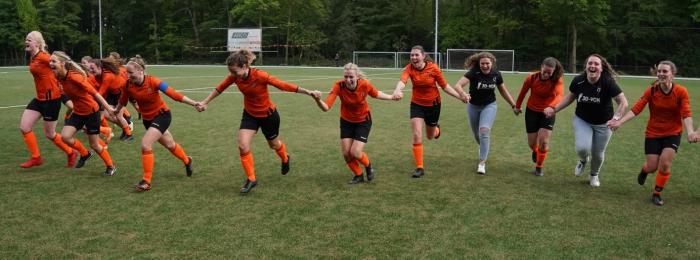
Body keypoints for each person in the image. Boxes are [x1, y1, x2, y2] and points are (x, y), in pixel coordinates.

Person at [197, 49, 317, 194]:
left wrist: (307, 92)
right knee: (242, 146)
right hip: (250, 115)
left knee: (274, 145)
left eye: (235, 72)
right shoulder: (235, 77)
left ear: (244, 66)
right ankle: (251, 179)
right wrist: (205, 102)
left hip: (268, 116)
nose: (233, 76)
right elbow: (220, 88)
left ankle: (285, 158)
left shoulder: (260, 75)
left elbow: (282, 85)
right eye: (231, 72)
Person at [608, 61, 695, 205]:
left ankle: (656, 193)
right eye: (659, 71)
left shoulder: (680, 92)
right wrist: (619, 122)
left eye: (665, 71)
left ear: (673, 74)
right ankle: (644, 171)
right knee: (652, 167)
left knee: (665, 164)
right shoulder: (652, 91)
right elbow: (637, 109)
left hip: (673, 133)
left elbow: (686, 113)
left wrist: (690, 131)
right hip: (653, 133)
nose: (661, 74)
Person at [114, 55, 198, 192]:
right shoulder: (127, 85)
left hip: (162, 116)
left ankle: (146, 181)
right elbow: (122, 101)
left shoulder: (153, 81)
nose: (128, 75)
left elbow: (174, 94)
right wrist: (116, 110)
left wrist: (194, 103)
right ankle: (187, 160)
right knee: (170, 145)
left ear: (140, 70)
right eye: (126, 72)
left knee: (146, 144)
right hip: (148, 120)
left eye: (130, 72)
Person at [310, 63, 397, 184]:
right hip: (346, 121)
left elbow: (376, 94)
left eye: (351, 77)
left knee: (355, 152)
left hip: (363, 121)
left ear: (357, 77)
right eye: (346, 77)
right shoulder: (338, 86)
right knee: (346, 153)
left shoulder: (364, 85)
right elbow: (326, 107)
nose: (348, 80)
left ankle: (368, 166)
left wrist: (392, 97)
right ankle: (358, 175)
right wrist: (317, 99)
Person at [552, 54, 628, 187]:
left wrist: (616, 119)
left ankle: (594, 175)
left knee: (598, 154)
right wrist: (554, 109)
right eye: (590, 63)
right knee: (582, 148)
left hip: (604, 124)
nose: (593, 66)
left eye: (596, 64)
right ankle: (583, 160)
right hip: (582, 120)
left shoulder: (607, 82)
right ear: (586, 66)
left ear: (601, 68)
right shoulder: (578, 80)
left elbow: (623, 102)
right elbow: (569, 98)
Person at [392, 45, 466, 178]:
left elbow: (445, 86)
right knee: (416, 134)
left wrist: (460, 97)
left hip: (433, 105)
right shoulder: (409, 68)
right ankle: (419, 168)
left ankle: (436, 129)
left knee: (430, 136)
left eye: (416, 55)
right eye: (412, 55)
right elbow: (403, 80)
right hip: (417, 105)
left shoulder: (433, 68)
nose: (414, 57)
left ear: (423, 56)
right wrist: (398, 90)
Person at [50, 51, 117, 176]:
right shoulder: (59, 77)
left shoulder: (75, 77)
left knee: (95, 144)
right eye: (50, 61)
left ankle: (111, 166)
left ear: (63, 63)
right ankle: (85, 154)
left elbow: (95, 94)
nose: (50, 64)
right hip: (78, 112)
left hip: (91, 112)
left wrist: (108, 109)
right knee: (65, 136)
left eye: (53, 61)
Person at [453, 52, 517, 175]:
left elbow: (503, 91)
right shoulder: (473, 72)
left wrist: (513, 105)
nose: (485, 66)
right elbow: (458, 85)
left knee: (484, 131)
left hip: (489, 106)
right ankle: (483, 148)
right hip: (473, 106)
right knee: (477, 135)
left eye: (487, 63)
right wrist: (463, 94)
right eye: (482, 63)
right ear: (479, 63)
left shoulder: (496, 74)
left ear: (492, 63)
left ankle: (482, 163)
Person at [18, 31, 76, 168]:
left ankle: (70, 152)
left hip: (52, 100)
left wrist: (74, 75)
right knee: (24, 127)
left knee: (50, 134)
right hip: (39, 99)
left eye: (29, 40)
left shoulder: (44, 57)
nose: (26, 41)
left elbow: (63, 63)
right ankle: (36, 157)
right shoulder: (33, 57)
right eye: (26, 39)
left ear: (37, 43)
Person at [513, 57, 564, 176]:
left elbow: (560, 95)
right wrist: (517, 106)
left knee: (544, 142)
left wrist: (551, 107)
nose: (546, 74)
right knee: (532, 143)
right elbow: (523, 92)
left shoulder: (557, 80)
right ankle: (535, 151)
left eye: (549, 73)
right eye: (544, 71)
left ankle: (539, 167)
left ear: (554, 71)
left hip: (548, 113)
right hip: (531, 111)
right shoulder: (531, 77)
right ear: (541, 67)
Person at [88, 57, 135, 141]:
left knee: (119, 116)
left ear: (99, 68)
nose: (90, 70)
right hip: (111, 94)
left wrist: (89, 99)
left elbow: (100, 93)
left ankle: (129, 134)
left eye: (92, 68)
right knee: (106, 115)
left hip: (121, 93)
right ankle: (125, 126)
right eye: (89, 68)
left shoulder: (107, 76)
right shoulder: (97, 75)